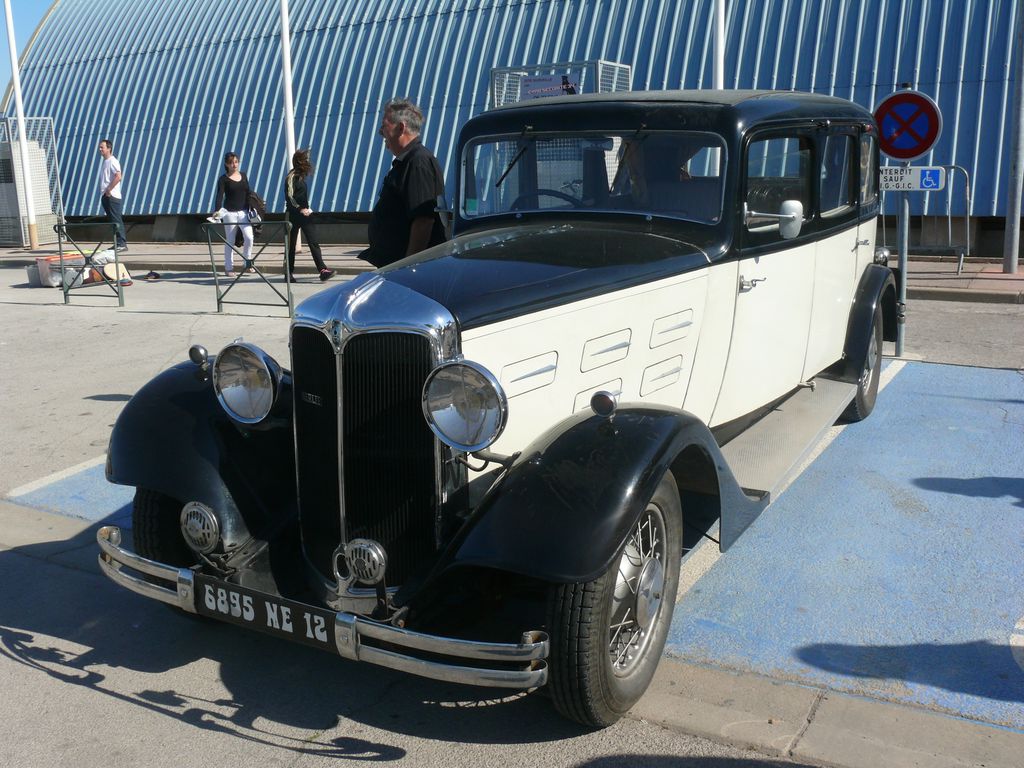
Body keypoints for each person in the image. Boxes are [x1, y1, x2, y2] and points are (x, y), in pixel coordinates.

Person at [361, 98, 447, 269]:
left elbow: (423, 220)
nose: (380, 132)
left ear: (401, 128)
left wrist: (409, 267)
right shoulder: (407, 161)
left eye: (384, 126)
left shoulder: (418, 162)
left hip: (408, 269)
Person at [284, 149, 333, 282]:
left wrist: (307, 208)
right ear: (299, 162)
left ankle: (322, 270)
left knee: (313, 241)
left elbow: (302, 197)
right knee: (291, 245)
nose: (307, 164)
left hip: (305, 214)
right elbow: (290, 197)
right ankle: (288, 272)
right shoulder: (291, 177)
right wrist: (299, 209)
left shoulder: (301, 177)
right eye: (305, 161)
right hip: (293, 215)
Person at [209, 152, 254, 276]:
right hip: (229, 213)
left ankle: (247, 263)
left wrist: (254, 204)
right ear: (226, 164)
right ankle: (229, 267)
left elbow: (248, 192)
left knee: (249, 237)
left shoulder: (244, 175)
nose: (234, 164)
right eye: (231, 162)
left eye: (236, 161)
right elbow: (220, 195)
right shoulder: (223, 179)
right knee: (230, 240)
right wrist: (217, 210)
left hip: (244, 212)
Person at [97, 139, 127, 251]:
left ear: (109, 148)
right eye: (99, 147)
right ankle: (117, 242)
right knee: (112, 221)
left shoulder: (113, 161)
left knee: (116, 219)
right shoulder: (105, 162)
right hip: (106, 195)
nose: (100, 150)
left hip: (112, 196)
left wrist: (109, 189)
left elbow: (118, 176)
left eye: (102, 147)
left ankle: (122, 243)